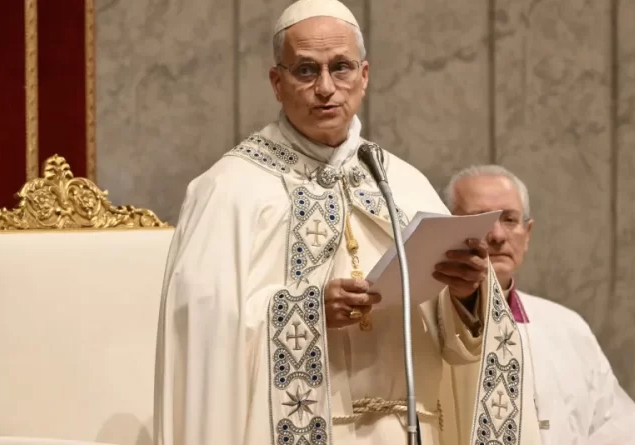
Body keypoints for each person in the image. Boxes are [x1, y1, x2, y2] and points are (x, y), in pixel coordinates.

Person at [154, 1, 539, 444]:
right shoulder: (229, 189)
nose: (325, 87)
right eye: (305, 70)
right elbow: (203, 333)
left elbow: (452, 342)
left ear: (364, 75)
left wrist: (466, 294)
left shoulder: (402, 183)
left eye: (340, 68)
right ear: (277, 83)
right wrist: (309, 312)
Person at [443, 164, 635, 445]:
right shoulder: (421, 323)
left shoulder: (568, 328)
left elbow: (615, 423)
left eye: (509, 219)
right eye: (481, 219)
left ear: (527, 233)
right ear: (448, 229)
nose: (497, 235)